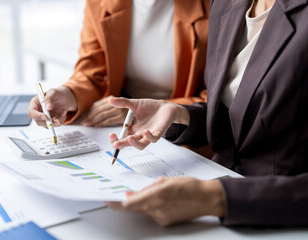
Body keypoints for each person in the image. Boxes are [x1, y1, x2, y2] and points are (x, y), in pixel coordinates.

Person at [106, 0, 308, 227]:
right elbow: (242, 122)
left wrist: (214, 197)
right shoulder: (226, 3)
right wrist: (178, 114)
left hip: (275, 215)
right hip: (213, 194)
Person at [28, 0, 209, 128]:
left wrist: (143, 111)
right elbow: (92, 72)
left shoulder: (216, 8)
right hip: (120, 126)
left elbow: (217, 100)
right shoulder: (99, 3)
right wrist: (68, 94)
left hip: (185, 132)